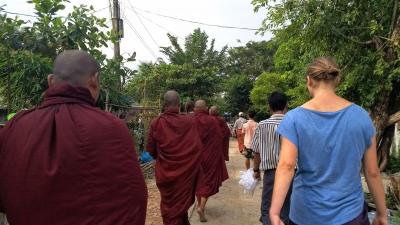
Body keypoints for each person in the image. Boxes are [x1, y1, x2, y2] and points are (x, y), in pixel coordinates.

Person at [0, 50, 147, 225]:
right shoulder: (111, 127)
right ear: (94, 80)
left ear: (50, 81)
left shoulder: (15, 126)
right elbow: (135, 198)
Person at [270, 57, 387, 225]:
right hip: (350, 214)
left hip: (306, 214)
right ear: (337, 80)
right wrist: (382, 213)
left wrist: (274, 212)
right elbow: (372, 172)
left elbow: (287, 166)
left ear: (309, 81)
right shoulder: (361, 117)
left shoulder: (294, 119)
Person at [147, 91, 202, 225]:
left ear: (164, 104)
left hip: (165, 174)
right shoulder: (189, 121)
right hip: (185, 174)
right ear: (179, 104)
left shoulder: (156, 123)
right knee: (179, 207)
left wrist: (163, 159)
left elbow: (151, 150)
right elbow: (197, 147)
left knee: (171, 209)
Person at [252, 92, 290, 225]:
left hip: (271, 173)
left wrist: (256, 170)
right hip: (292, 173)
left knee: (268, 207)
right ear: (286, 106)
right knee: (287, 207)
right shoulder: (294, 123)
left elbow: (256, 152)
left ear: (269, 107)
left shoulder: (261, 125)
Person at [194, 100, 229, 222]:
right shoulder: (212, 121)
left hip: (195, 157)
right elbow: (220, 136)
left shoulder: (190, 120)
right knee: (209, 181)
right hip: (209, 156)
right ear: (205, 108)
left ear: (195, 108)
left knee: (198, 181)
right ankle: (201, 207)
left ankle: (200, 205)